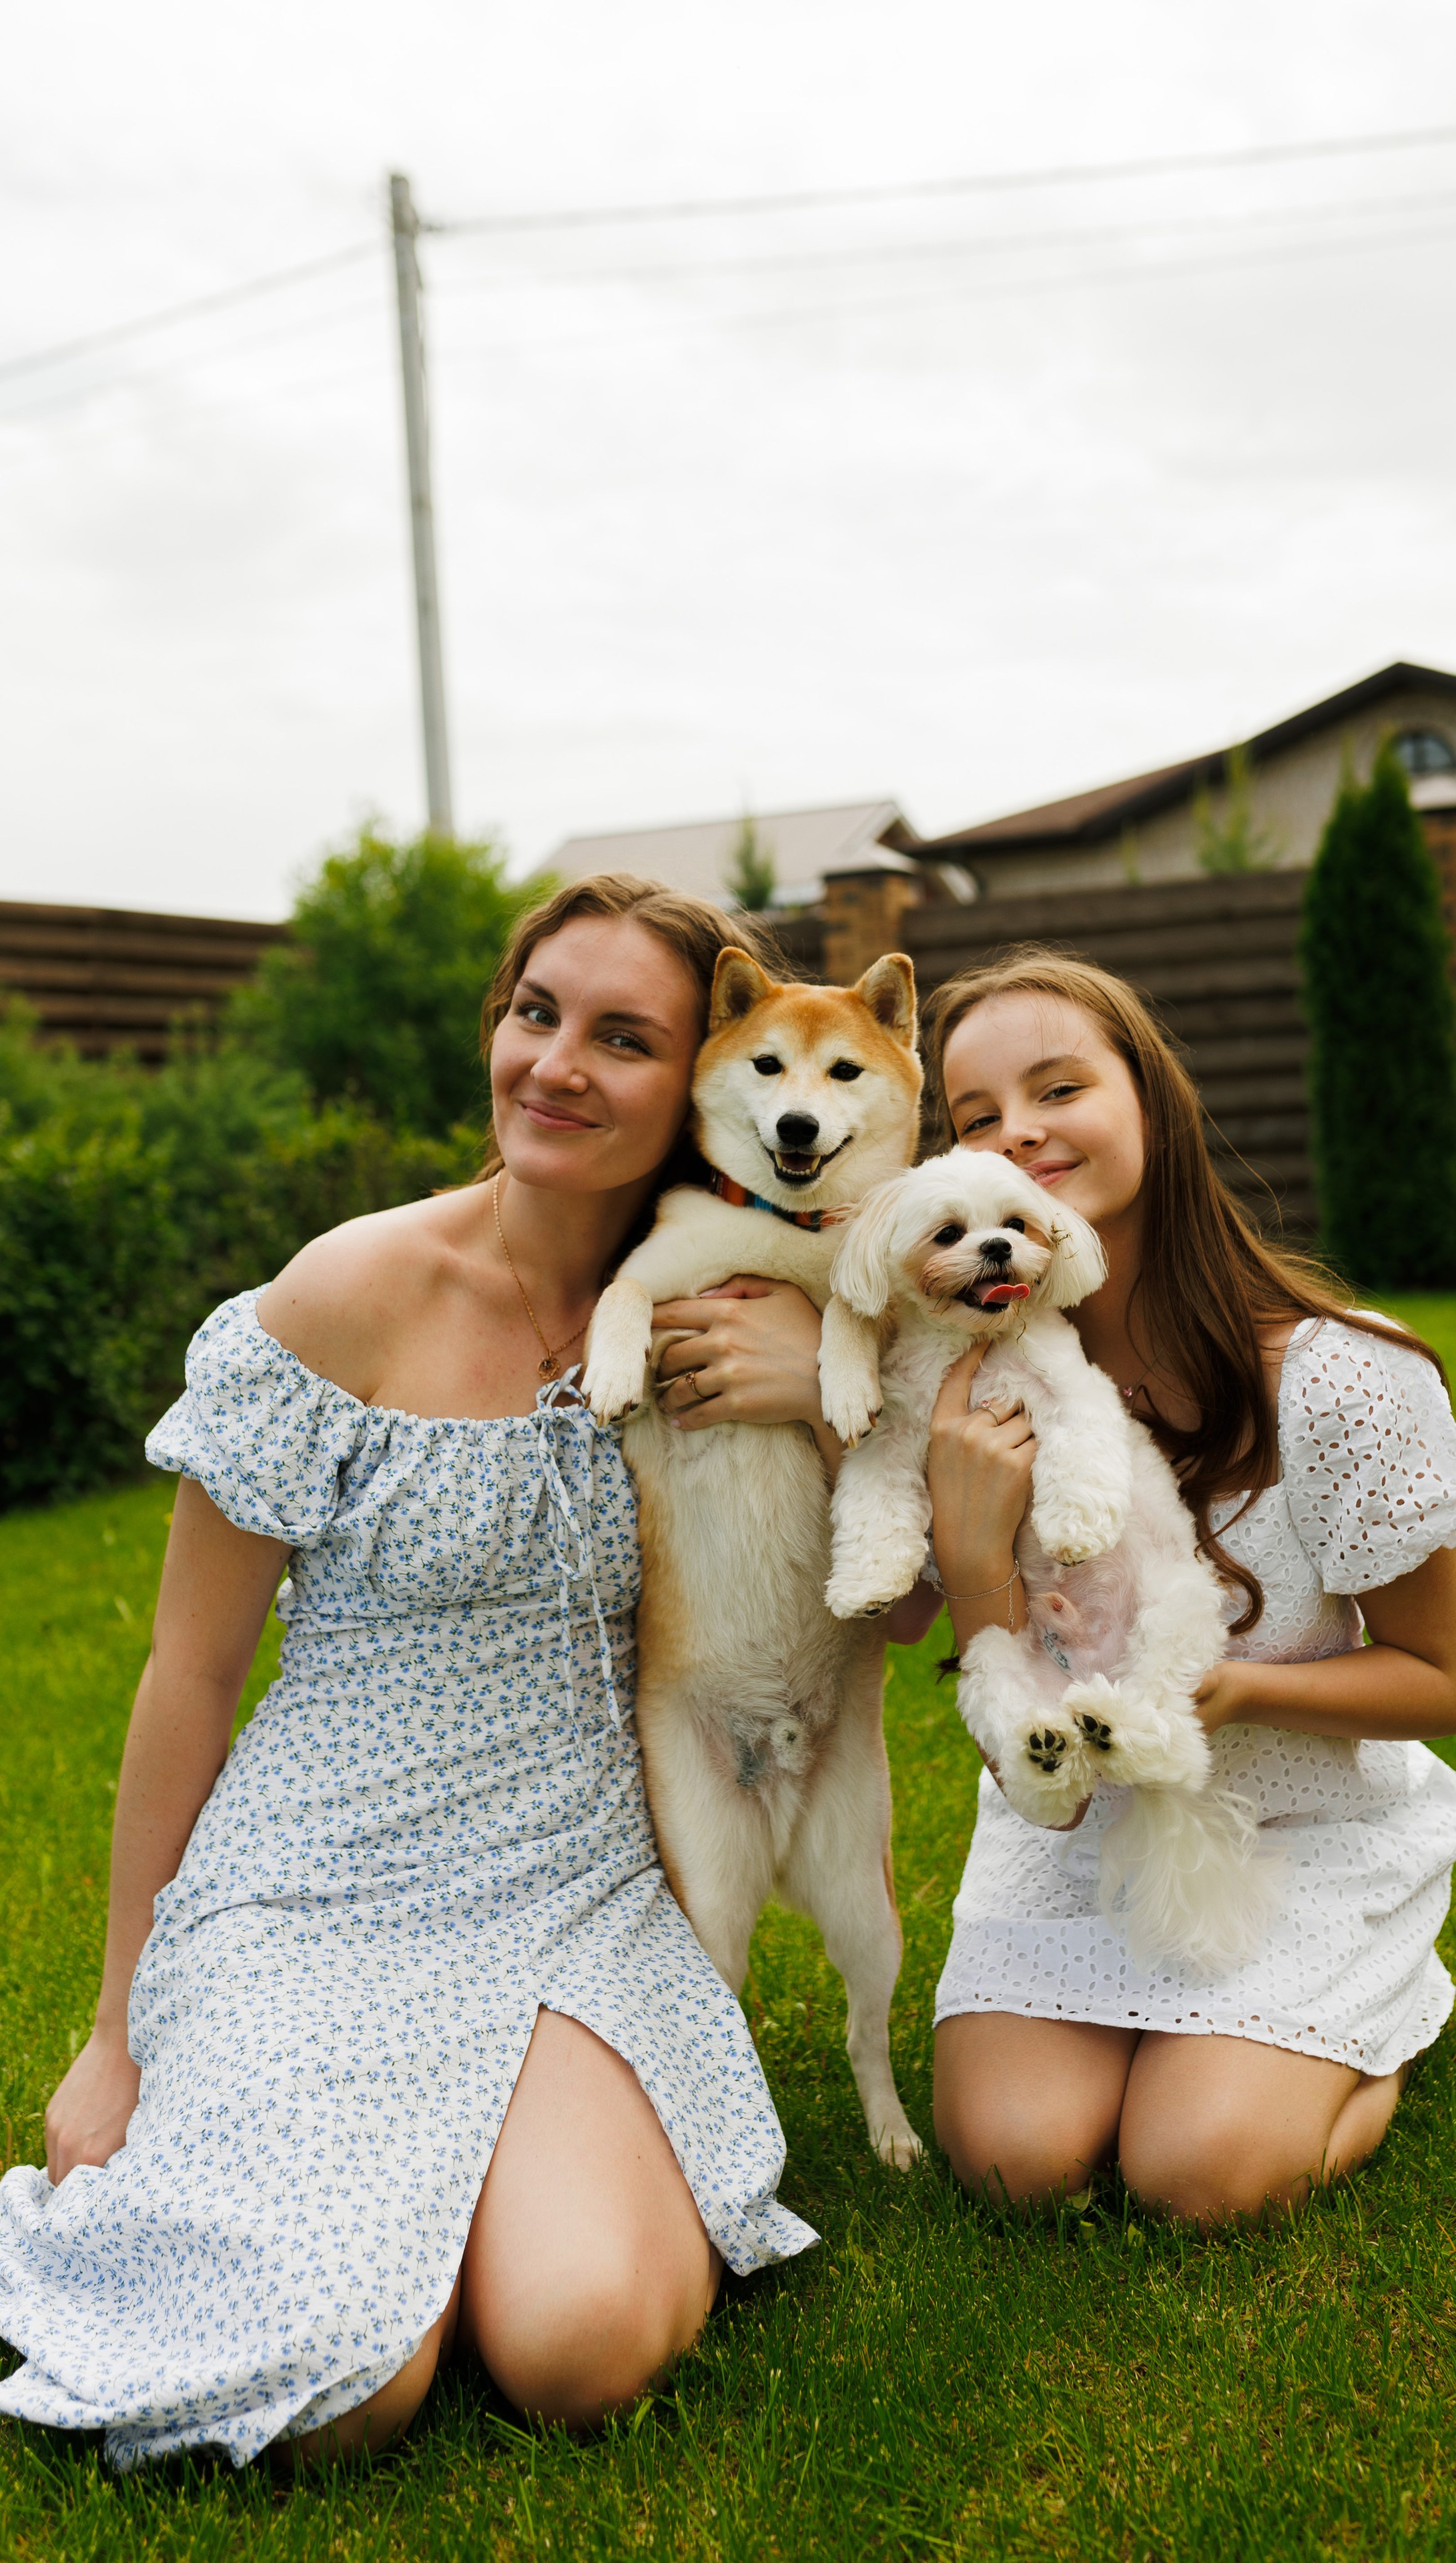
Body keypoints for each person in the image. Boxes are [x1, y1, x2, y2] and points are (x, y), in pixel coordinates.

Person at [0, 874, 844, 2471]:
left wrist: (823, 1390)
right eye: (535, 1015)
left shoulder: (739, 1315)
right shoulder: (342, 1297)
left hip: (575, 1885)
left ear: (708, 1073)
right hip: (320, 1879)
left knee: (587, 2345)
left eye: (622, 1037)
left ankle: (468, 2216)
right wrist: (113, 2029)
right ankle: (373, 2232)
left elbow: (902, 1609)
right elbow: (190, 1675)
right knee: (337, 2397)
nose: (556, 1065)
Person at [914, 952, 1456, 2225]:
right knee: (1018, 2159)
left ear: (1151, 1102)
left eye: (1058, 1086)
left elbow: (1445, 1682)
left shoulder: (1335, 1378)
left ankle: (1381, 2016)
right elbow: (1017, 1720)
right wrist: (973, 1574)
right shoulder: (978, 1399)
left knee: (1198, 2172)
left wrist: (1228, 1693)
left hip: (1295, 1837)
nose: (1017, 1130)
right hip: (1069, 1843)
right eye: (974, 1117)